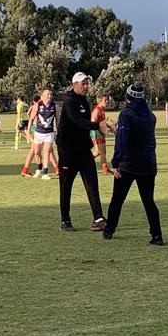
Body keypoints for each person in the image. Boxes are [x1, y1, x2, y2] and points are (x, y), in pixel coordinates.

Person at [103, 82, 163, 245]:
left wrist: (115, 162)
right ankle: (156, 235)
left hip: (128, 164)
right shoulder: (151, 116)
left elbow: (122, 140)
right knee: (148, 201)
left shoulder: (126, 115)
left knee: (117, 199)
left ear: (127, 97)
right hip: (148, 164)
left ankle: (109, 230)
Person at [56, 72, 107, 232]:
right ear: (75, 84)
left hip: (83, 150)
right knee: (66, 186)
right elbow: (79, 121)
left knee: (92, 183)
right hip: (68, 150)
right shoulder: (69, 102)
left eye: (87, 83)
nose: (86, 87)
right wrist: (97, 126)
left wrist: (99, 131)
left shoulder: (84, 100)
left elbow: (86, 123)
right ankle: (65, 221)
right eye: (83, 84)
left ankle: (98, 219)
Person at [27, 88, 57, 180]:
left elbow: (58, 119)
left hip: (49, 133)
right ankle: (39, 169)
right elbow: (31, 119)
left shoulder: (54, 106)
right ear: (42, 96)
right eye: (48, 94)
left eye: (51, 94)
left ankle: (45, 173)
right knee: (36, 152)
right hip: (38, 133)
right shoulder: (37, 105)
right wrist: (29, 132)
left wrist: (59, 131)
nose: (50, 96)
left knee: (47, 152)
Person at [91, 93, 115, 174]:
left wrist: (110, 128)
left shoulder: (101, 109)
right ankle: (82, 164)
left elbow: (102, 122)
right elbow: (93, 122)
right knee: (98, 151)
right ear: (99, 100)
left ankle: (105, 169)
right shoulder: (97, 110)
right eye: (105, 100)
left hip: (101, 133)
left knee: (102, 151)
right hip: (96, 133)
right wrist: (98, 132)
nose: (107, 101)